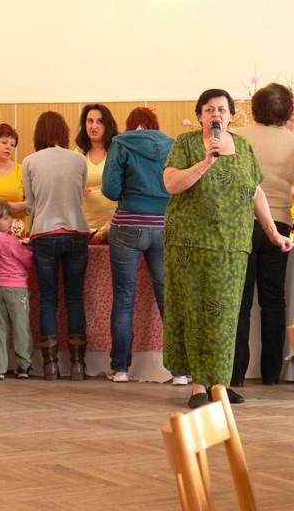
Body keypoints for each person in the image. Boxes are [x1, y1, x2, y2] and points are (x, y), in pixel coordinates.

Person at [163, 88, 292, 409]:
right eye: (209, 110)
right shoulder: (186, 144)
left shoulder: (244, 147)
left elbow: (255, 192)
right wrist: (206, 162)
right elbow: (171, 184)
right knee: (197, 314)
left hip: (232, 247)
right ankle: (198, 385)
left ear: (231, 116)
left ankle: (220, 383)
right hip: (191, 245)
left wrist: (273, 233)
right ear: (199, 117)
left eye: (221, 109)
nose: (215, 115)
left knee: (227, 317)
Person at [230, 84, 294, 389]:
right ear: (287, 111)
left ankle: (236, 374)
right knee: (274, 301)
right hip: (279, 224)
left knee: (239, 302)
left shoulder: (236, 137)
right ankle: (271, 373)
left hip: (240, 223)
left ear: (255, 108)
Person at [101, 107, 182, 384]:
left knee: (124, 298)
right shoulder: (172, 145)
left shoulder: (120, 144)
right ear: (154, 124)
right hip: (164, 226)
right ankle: (180, 371)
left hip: (127, 225)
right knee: (167, 297)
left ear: (130, 124)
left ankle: (120, 369)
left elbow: (110, 189)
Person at [23, 111, 90, 381]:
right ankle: (78, 365)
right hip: (77, 232)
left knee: (48, 300)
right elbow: (79, 197)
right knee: (75, 298)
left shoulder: (30, 161)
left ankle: (50, 366)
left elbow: (30, 205)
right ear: (64, 132)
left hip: (44, 233)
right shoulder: (79, 159)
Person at [0, 199, 34, 380]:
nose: (11, 220)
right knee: (21, 327)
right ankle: (23, 366)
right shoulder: (10, 241)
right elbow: (26, 259)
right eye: (6, 218)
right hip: (17, 288)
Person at [75, 103, 119, 233]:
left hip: (115, 227)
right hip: (85, 227)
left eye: (99, 121)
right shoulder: (78, 154)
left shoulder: (118, 151)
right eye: (90, 121)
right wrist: (77, 188)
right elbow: (67, 186)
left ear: (107, 125)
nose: (94, 126)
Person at [0, 123, 29, 239]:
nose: (9, 147)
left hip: (17, 234)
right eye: (4, 142)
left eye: (12, 145)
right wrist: (15, 208)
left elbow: (30, 206)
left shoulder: (23, 171)